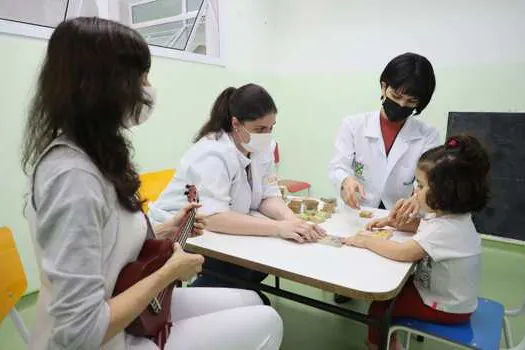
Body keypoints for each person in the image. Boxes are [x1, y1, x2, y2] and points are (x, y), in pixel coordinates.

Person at [22, 17, 282, 350]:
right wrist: (168, 273)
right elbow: (79, 332)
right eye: (140, 77)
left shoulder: (97, 155)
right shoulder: (72, 177)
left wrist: (165, 230)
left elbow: (106, 244)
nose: (147, 88)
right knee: (267, 321)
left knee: (252, 302)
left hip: (125, 305)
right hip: (108, 338)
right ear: (102, 85)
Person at [149, 83, 325, 289]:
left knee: (259, 264)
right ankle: (210, 291)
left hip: (220, 227)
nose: (267, 135)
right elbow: (212, 217)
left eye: (271, 127)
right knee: (243, 267)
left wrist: (293, 221)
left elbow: (268, 195)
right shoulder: (212, 153)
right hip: (181, 233)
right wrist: (278, 227)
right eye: (260, 129)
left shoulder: (261, 147)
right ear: (236, 123)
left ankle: (232, 292)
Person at [344, 135, 490, 350]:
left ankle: (379, 345)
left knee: (379, 309)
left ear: (446, 193)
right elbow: (421, 228)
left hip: (447, 307)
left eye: (420, 186)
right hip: (443, 292)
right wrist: (391, 223)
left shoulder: (446, 228)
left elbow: (404, 252)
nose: (414, 191)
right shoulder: (450, 217)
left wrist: (366, 241)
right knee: (392, 286)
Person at [328, 52, 440, 303]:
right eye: (396, 96)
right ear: (383, 87)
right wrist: (346, 181)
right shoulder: (353, 125)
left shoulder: (428, 135)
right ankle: (348, 288)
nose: (400, 105)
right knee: (351, 259)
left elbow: (430, 181)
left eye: (410, 101)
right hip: (359, 207)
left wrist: (417, 198)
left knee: (391, 268)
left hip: (400, 212)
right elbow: (337, 166)